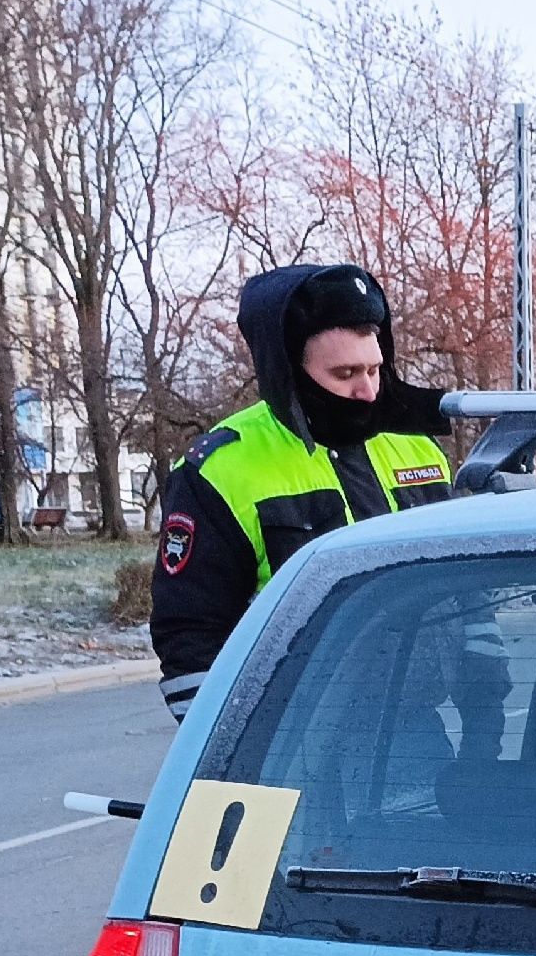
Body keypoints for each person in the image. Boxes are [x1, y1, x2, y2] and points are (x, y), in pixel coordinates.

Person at [148, 262, 486, 724]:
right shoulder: (222, 469)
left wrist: (486, 720)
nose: (367, 391)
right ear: (289, 371)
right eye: (345, 373)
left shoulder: (416, 449)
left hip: (416, 734)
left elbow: (467, 595)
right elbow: (191, 638)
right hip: (292, 745)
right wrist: (235, 755)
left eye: (374, 369)